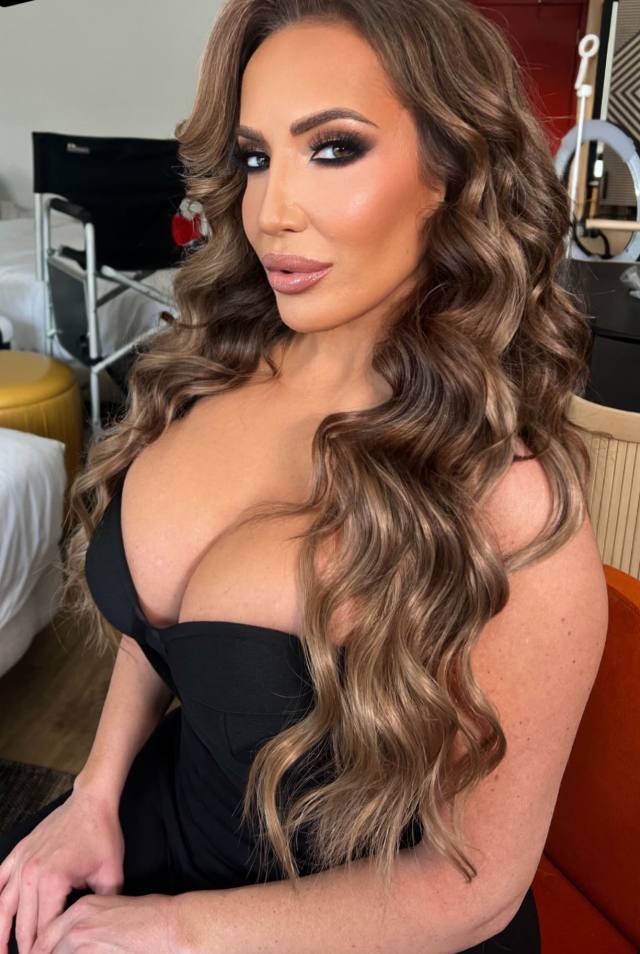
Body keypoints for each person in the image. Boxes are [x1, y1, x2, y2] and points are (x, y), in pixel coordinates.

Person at [0, 1, 609, 952]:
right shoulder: (213, 370)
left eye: (333, 149)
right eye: (255, 158)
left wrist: (174, 933)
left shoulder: (507, 503)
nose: (271, 211)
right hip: (150, 835)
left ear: (453, 169)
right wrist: (94, 793)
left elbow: (475, 889)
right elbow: (157, 633)